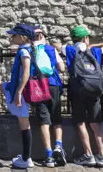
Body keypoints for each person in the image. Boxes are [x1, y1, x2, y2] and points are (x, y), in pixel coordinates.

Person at [65, 25, 103, 167]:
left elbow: (57, 46)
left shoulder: (70, 50)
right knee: (96, 124)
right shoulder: (94, 51)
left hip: (78, 90)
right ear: (85, 38)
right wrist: (93, 44)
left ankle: (88, 155)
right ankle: (102, 156)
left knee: (80, 122)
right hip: (94, 90)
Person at [32, 25, 67, 166]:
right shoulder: (51, 49)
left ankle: (49, 155)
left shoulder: (30, 50)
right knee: (57, 119)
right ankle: (58, 146)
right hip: (53, 85)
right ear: (43, 37)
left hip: (38, 86)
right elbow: (62, 68)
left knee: (44, 121)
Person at [4, 23, 36, 169]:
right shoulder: (26, 49)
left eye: (15, 35)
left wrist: (18, 92)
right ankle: (25, 156)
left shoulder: (24, 52)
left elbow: (26, 73)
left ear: (23, 37)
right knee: (24, 123)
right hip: (20, 90)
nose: (12, 37)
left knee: (24, 124)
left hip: (21, 92)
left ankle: (26, 158)